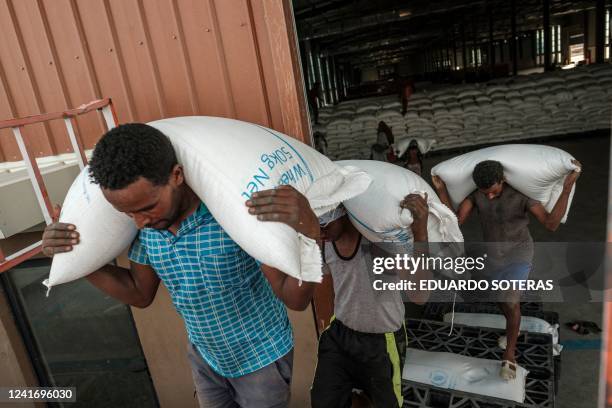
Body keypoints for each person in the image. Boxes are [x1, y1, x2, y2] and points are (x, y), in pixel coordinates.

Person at [41, 123, 321, 408]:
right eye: (128, 213)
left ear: (176, 176)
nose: (140, 221)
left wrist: (311, 231)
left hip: (261, 359)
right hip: (205, 359)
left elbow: (295, 299)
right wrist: (73, 256)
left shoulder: (232, 216)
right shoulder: (147, 229)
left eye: (148, 207)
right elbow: (140, 292)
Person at [432, 159, 581, 380]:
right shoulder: (477, 195)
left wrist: (567, 187)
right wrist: (442, 190)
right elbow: (455, 221)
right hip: (493, 257)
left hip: (518, 253)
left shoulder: (522, 194)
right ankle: (515, 329)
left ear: (503, 180)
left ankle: (509, 355)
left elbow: (551, 224)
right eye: (486, 193)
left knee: (511, 300)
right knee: (502, 301)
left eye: (493, 191)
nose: (489, 196)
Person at [310, 195, 431, 408]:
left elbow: (419, 296)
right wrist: (324, 326)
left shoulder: (377, 241)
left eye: (323, 223)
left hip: (380, 342)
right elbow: (324, 285)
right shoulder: (324, 243)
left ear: (342, 212)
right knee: (324, 401)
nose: (320, 231)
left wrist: (421, 231)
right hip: (340, 335)